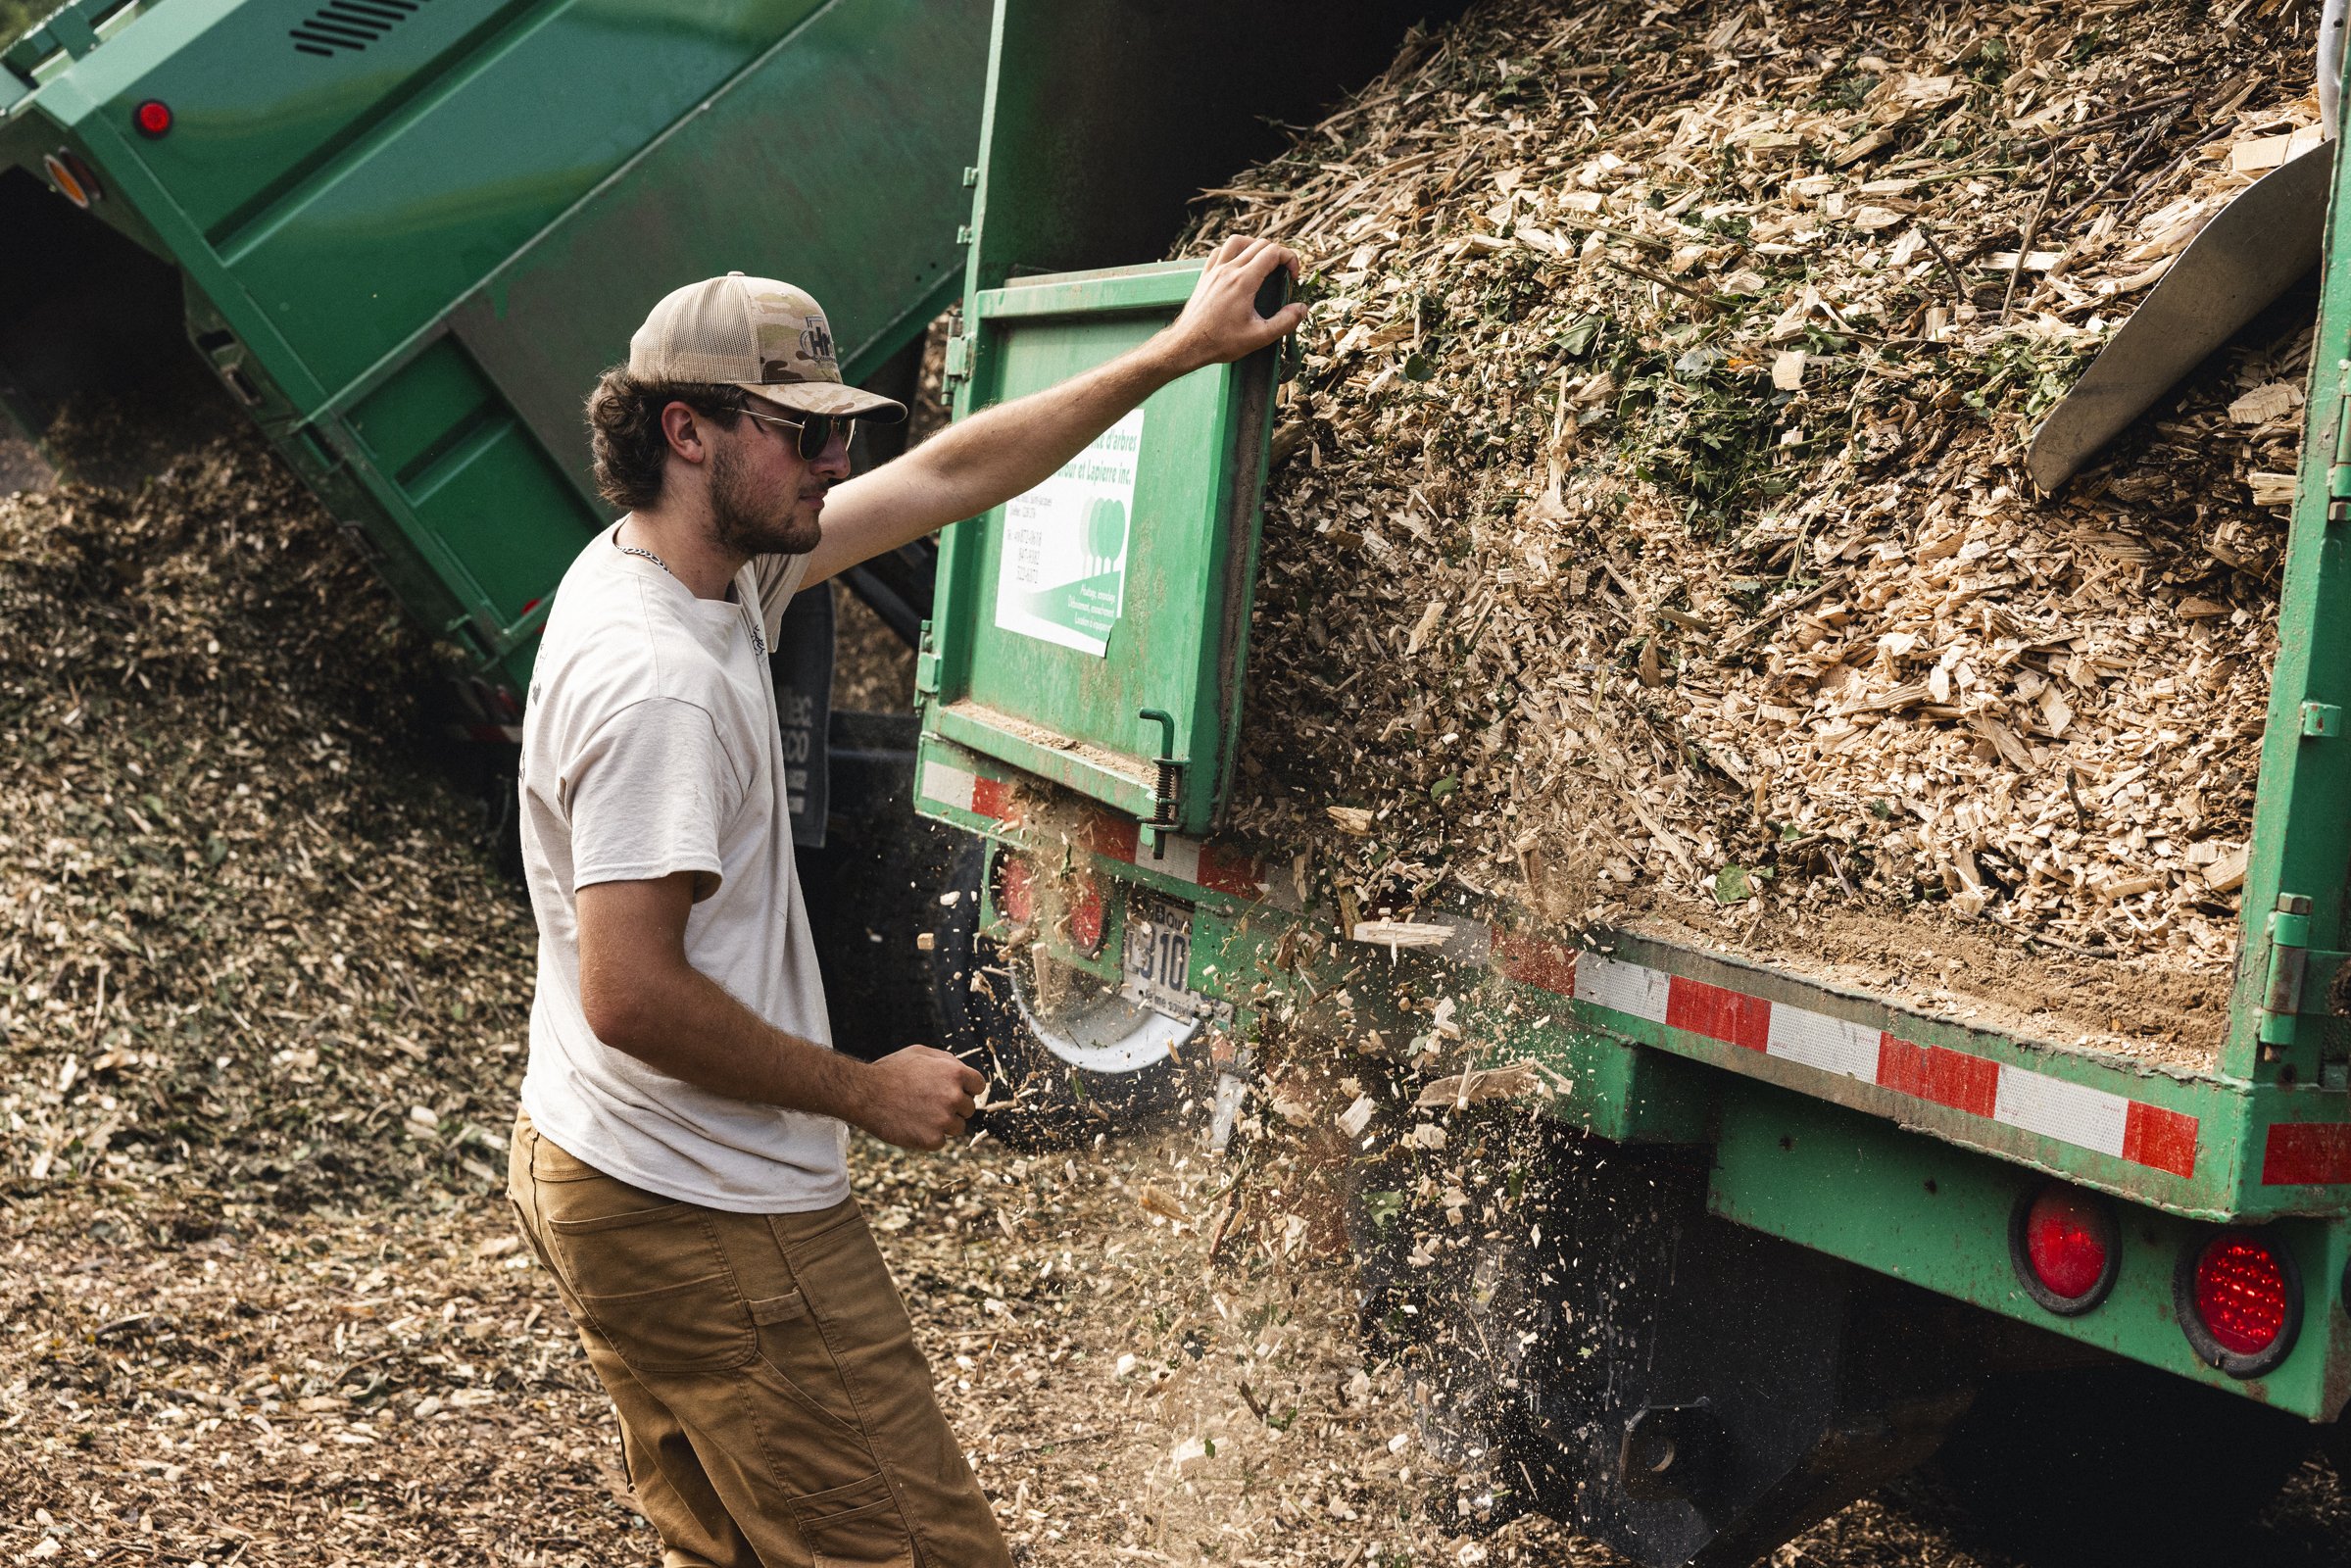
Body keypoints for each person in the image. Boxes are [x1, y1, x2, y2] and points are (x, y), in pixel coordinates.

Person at [504, 237, 1303, 1568]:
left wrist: (1174, 354)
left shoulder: (694, 569)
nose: (835, 463)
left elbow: (949, 474)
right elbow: (632, 992)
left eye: (840, 433)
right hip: (708, 1208)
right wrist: (863, 1092)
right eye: (801, 435)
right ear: (685, 431)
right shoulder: (661, 681)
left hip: (605, 1165)